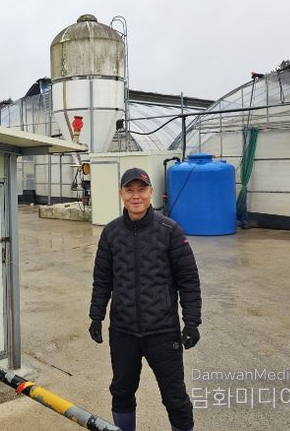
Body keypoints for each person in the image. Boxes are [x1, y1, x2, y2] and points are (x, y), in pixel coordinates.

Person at [89, 167, 201, 431]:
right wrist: (96, 315)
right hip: (123, 332)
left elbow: (188, 280)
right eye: (129, 190)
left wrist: (192, 321)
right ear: (121, 194)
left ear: (151, 193)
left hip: (162, 332)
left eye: (141, 190)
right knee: (122, 391)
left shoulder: (170, 231)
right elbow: (102, 279)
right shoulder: (111, 233)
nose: (135, 196)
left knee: (175, 398)